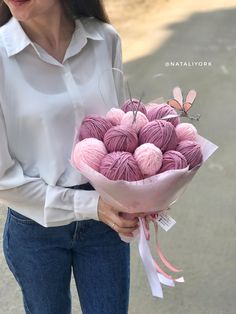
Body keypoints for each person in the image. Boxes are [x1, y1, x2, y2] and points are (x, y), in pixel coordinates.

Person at [0, 1, 143, 313]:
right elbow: (2, 180)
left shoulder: (105, 39)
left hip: (107, 225)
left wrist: (144, 189)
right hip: (36, 227)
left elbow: (120, 132)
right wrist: (92, 206)